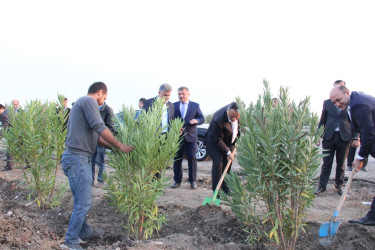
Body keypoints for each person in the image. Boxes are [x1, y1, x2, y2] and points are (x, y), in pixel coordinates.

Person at [61, 82, 134, 249]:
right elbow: (99, 127)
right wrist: (119, 144)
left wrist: (115, 148)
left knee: (82, 200)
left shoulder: (82, 104)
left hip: (78, 158)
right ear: (100, 92)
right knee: (84, 202)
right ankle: (71, 241)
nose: (103, 102)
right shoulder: (89, 102)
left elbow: (97, 137)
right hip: (77, 158)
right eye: (104, 98)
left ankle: (84, 232)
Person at [329, 85, 375, 226]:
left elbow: (369, 133)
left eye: (338, 100)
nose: (337, 104)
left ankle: (372, 217)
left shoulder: (359, 104)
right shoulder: (355, 101)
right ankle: (372, 216)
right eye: (334, 103)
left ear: (346, 93)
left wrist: (360, 158)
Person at [315, 80, 353, 196]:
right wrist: (318, 135)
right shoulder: (327, 103)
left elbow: (354, 121)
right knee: (326, 163)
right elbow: (322, 120)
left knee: (341, 163)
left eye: (340, 87)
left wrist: (356, 137)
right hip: (329, 136)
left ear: (344, 90)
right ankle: (322, 186)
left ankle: (338, 185)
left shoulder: (349, 103)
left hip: (344, 136)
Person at [171, 87, 205, 190]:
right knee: (177, 159)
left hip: (191, 137)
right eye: (179, 94)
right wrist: (175, 127)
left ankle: (192, 181)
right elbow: (170, 119)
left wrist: (196, 121)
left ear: (188, 94)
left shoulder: (195, 105)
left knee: (192, 158)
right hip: (177, 137)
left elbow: (202, 118)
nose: (181, 96)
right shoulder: (173, 105)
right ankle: (177, 181)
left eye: (183, 94)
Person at [206, 102, 240, 194]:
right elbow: (218, 140)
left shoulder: (239, 114)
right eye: (231, 116)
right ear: (227, 111)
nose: (234, 119)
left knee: (227, 165)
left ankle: (225, 188)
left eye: (236, 117)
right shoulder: (218, 120)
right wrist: (228, 152)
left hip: (229, 141)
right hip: (214, 142)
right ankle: (216, 191)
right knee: (219, 163)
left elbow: (239, 128)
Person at [91, 101, 116, 187]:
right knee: (91, 161)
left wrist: (104, 137)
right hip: (92, 140)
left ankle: (100, 181)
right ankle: (90, 181)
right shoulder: (92, 108)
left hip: (101, 141)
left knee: (100, 162)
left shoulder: (108, 110)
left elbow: (111, 127)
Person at [0, 104, 14, 171]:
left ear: (1, 108)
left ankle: (9, 166)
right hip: (17, 133)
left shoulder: (4, 115)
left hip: (13, 134)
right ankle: (28, 164)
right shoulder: (7, 112)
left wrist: (1, 136)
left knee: (10, 150)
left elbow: (5, 126)